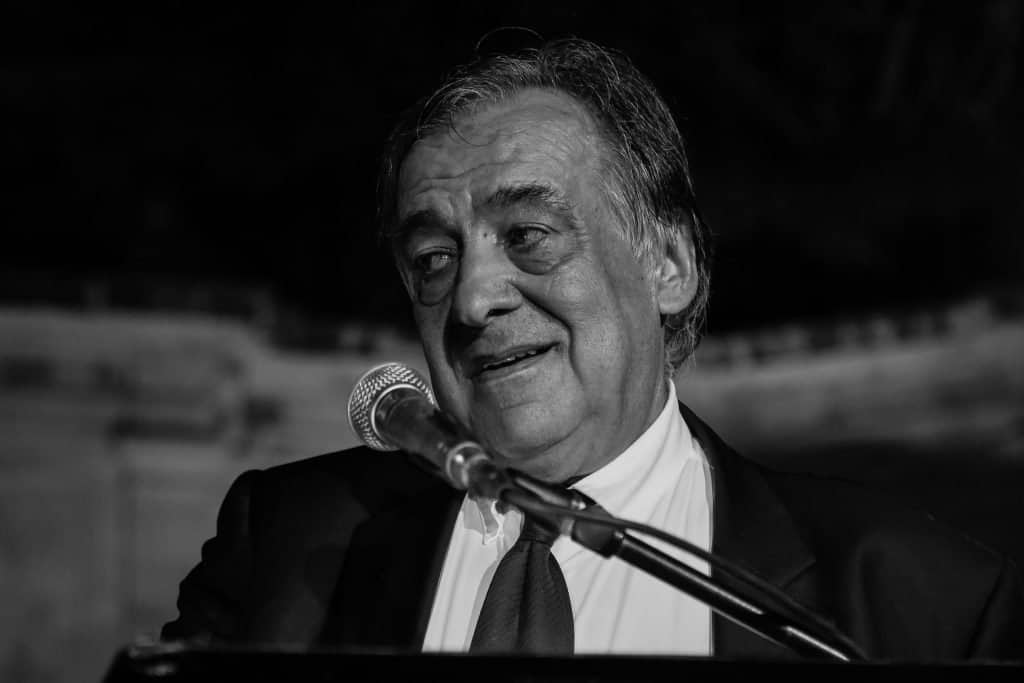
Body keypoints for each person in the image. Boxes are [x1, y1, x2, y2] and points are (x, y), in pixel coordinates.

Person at [162, 38, 1024, 660]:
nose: (472, 298)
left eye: (528, 235)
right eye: (433, 260)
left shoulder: (916, 597)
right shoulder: (285, 540)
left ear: (669, 265)